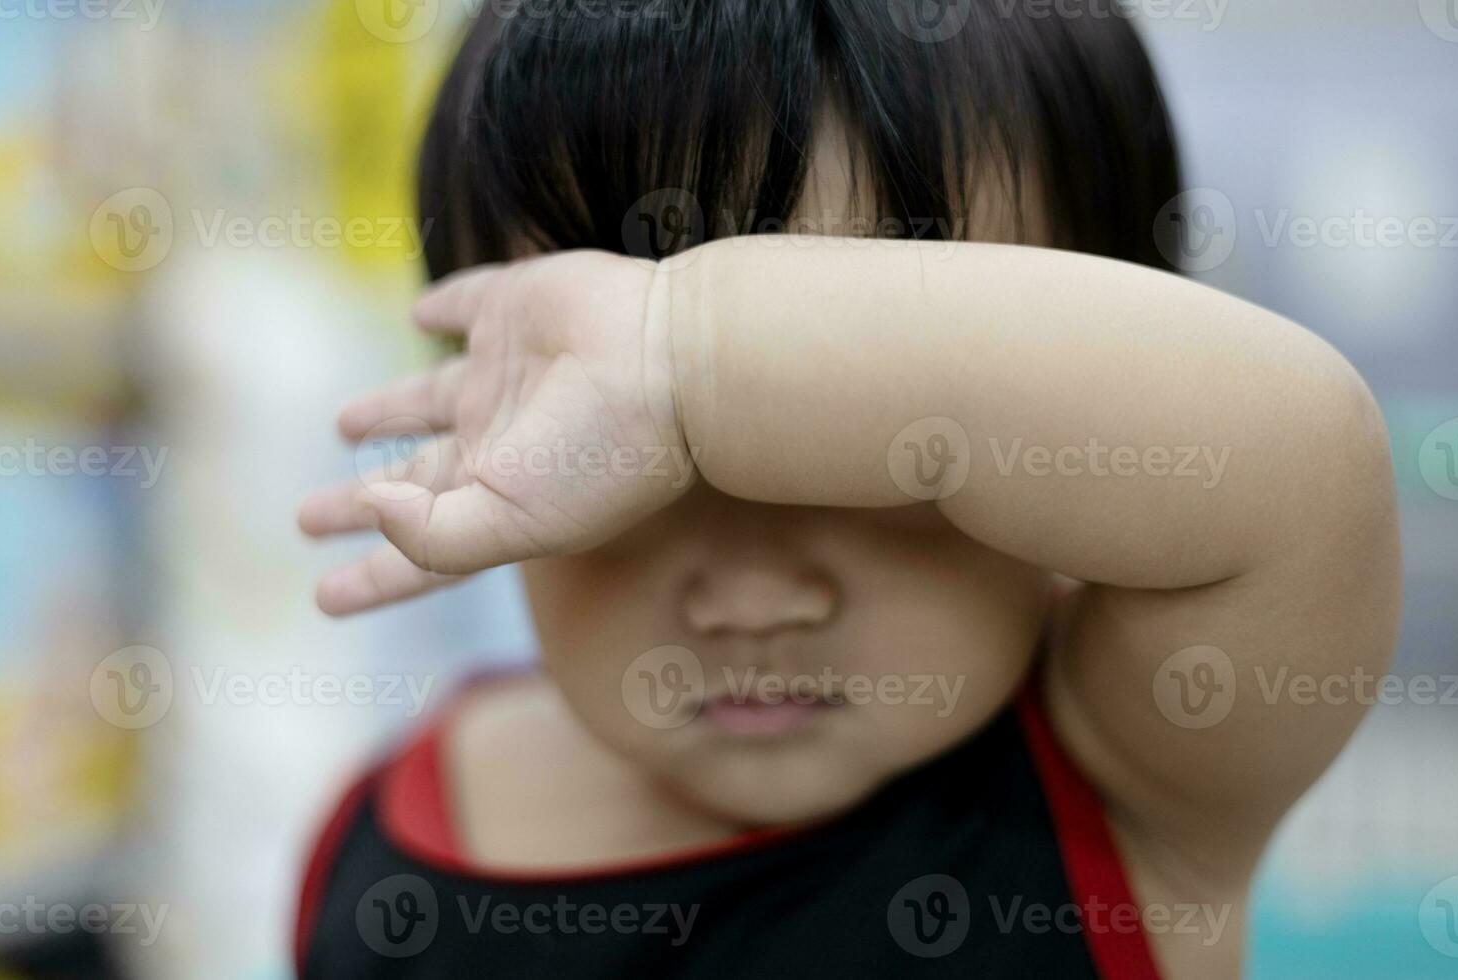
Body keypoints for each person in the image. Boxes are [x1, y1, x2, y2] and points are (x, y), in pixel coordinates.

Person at [294, 3, 1400, 977]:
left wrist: (693, 349)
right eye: (622, 462)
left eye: (890, 453)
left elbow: (1310, 458)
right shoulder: (378, 839)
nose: (753, 594)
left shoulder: (1136, 783)